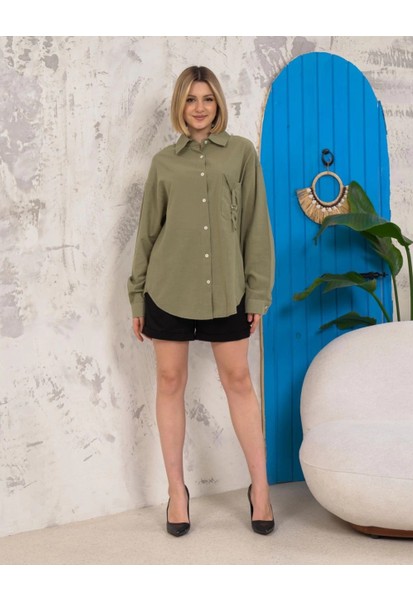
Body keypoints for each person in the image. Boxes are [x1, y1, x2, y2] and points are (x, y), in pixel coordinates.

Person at [128, 65, 275, 536]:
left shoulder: (242, 154)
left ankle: (260, 489)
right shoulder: (163, 163)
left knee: (239, 381)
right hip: (168, 290)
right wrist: (137, 299)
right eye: (191, 99)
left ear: (218, 104)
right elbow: (147, 234)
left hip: (228, 292)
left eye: (207, 98)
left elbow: (255, 227)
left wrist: (257, 292)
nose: (199, 107)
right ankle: (177, 492)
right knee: (170, 381)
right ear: (180, 105)